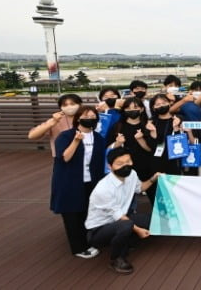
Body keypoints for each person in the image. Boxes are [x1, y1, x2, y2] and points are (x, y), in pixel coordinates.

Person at [85, 147, 162, 274]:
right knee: (127, 225)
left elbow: (140, 188)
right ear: (110, 166)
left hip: (122, 219)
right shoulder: (103, 189)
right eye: (120, 164)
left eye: (128, 161)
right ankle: (116, 259)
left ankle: (127, 241)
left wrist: (153, 178)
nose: (125, 166)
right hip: (99, 230)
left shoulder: (132, 174)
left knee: (152, 219)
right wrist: (138, 230)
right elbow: (119, 217)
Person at [52, 106, 105, 259]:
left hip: (91, 181)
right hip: (69, 181)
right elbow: (64, 158)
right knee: (72, 214)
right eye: (86, 115)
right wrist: (76, 141)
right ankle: (78, 248)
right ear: (78, 118)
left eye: (93, 116)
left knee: (86, 212)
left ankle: (87, 241)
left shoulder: (99, 138)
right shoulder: (65, 136)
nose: (89, 118)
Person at [108, 97, 155, 199]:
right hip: (125, 167)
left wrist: (141, 140)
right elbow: (108, 148)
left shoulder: (148, 125)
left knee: (153, 196)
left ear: (142, 109)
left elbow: (151, 149)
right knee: (124, 199)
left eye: (135, 107)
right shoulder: (118, 127)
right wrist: (117, 143)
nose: (131, 111)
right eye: (128, 108)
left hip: (146, 166)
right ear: (124, 110)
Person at [146, 94, 183, 202]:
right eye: (157, 104)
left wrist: (176, 129)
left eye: (164, 103)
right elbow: (151, 146)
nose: (161, 106)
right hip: (156, 162)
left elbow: (181, 144)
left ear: (169, 104)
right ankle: (160, 217)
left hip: (173, 162)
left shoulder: (177, 120)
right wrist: (153, 132)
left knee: (174, 195)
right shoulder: (151, 122)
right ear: (153, 107)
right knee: (159, 195)